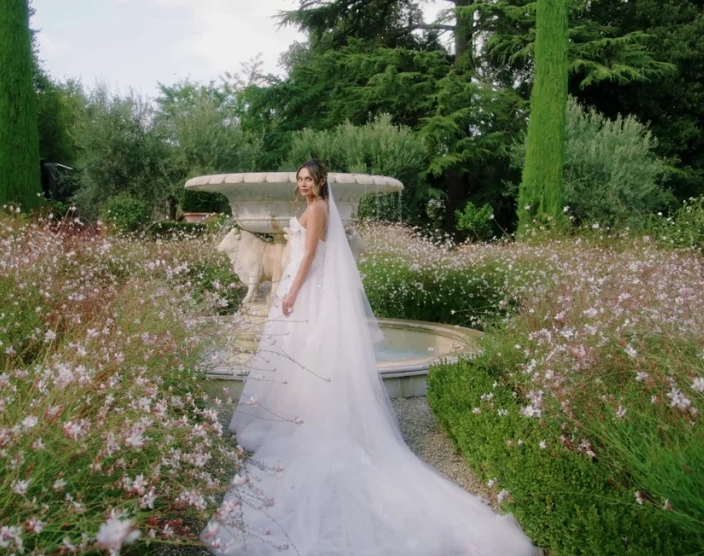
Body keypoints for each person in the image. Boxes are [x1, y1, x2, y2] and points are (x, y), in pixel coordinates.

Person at [202, 160, 536, 555]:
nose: (304, 184)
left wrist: (291, 293)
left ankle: (315, 419)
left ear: (321, 181)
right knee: (298, 357)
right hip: (300, 285)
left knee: (310, 354)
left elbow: (309, 255)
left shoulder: (321, 209)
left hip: (306, 287)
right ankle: (301, 413)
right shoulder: (311, 207)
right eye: (300, 180)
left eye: (309, 179)